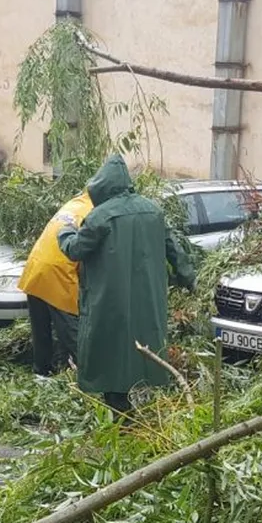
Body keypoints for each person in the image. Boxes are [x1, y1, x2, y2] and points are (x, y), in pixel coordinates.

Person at [58, 155, 196, 415]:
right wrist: (190, 279)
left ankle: (120, 410)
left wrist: (65, 231)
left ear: (101, 188)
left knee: (109, 352)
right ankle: (135, 401)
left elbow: (75, 250)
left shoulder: (99, 217)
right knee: (142, 347)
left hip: (108, 300)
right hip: (148, 298)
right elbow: (174, 250)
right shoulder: (153, 210)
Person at [18, 191, 93, 377]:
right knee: (71, 332)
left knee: (41, 329)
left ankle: (42, 372)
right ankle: (90, 376)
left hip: (36, 268)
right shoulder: (93, 212)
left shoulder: (74, 204)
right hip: (58, 273)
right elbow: (86, 251)